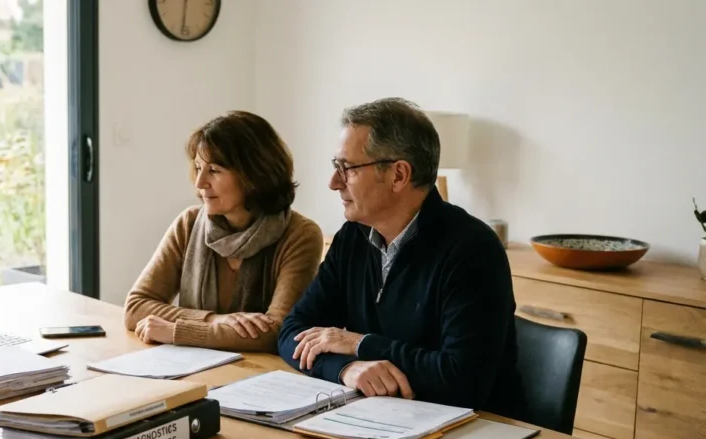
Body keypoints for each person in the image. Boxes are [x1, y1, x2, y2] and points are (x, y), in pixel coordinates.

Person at [278, 98, 524, 418]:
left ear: (398, 175)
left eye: (347, 168)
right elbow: (291, 333)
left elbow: (462, 382)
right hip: (382, 419)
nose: (333, 182)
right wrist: (347, 369)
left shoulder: (472, 250)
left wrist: (361, 345)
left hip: (477, 434)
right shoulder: (353, 236)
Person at [124, 111, 323, 353]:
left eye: (214, 171)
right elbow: (136, 307)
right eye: (198, 167)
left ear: (254, 174)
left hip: (260, 377)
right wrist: (212, 320)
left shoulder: (300, 235)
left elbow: (278, 331)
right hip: (193, 369)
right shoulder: (188, 223)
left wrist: (177, 330)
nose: (200, 183)